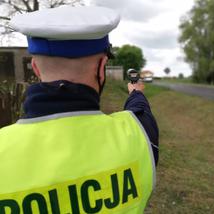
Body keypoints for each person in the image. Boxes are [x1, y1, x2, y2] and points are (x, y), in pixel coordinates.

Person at [0, 6, 158, 214]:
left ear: (36, 68)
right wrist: (136, 92)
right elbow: (140, 111)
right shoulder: (140, 133)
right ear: (102, 68)